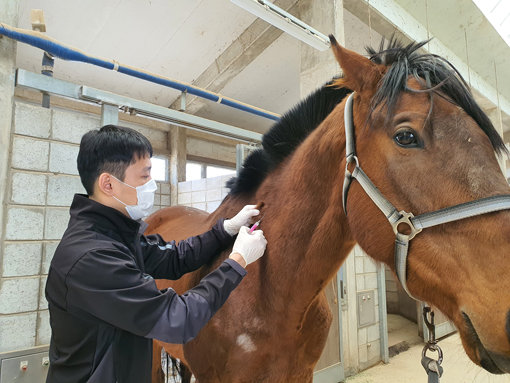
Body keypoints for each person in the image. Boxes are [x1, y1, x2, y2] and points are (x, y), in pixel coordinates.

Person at [45, 125, 267, 383]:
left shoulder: (115, 236)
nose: (151, 186)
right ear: (108, 184)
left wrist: (225, 229)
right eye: (144, 177)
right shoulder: (93, 258)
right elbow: (177, 319)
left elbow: (174, 257)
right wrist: (238, 261)